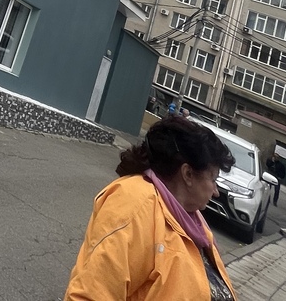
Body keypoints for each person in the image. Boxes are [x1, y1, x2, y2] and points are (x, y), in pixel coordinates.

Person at [65, 116, 238, 301]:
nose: (216, 192)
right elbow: (91, 294)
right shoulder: (135, 205)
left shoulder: (190, 218)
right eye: (213, 179)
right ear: (188, 174)